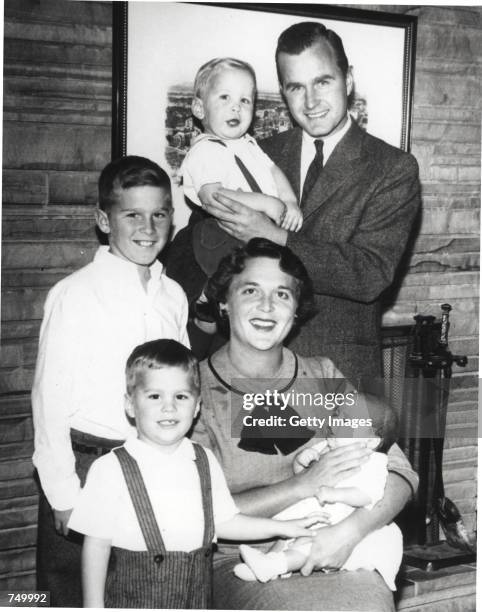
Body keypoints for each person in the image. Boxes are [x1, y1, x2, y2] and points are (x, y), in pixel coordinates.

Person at [191, 238, 418, 611]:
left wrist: (347, 533)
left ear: (295, 310)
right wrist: (303, 485)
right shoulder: (196, 390)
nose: (267, 306)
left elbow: (400, 473)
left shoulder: (320, 375)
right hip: (242, 558)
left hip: (341, 541)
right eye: (250, 290)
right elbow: (201, 510)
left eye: (282, 294)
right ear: (223, 303)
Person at [191, 21, 421, 382]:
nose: (311, 102)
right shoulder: (258, 153)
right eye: (296, 87)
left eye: (323, 82)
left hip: (339, 377)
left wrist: (270, 235)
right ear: (283, 92)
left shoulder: (392, 168)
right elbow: (205, 241)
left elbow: (370, 274)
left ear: (347, 80)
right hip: (250, 376)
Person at [31, 156, 189, 607]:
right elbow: (48, 403)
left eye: (159, 214)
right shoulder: (75, 295)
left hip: (151, 465)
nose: (148, 226)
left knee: (137, 590)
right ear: (104, 220)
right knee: (70, 595)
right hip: (85, 466)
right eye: (132, 214)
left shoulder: (172, 296)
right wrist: (63, 494)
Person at [68, 339, 320, 608]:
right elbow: (96, 546)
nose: (169, 407)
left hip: (196, 599)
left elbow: (224, 522)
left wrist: (285, 527)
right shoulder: (110, 469)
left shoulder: (202, 460)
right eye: (154, 396)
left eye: (181, 396)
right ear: (130, 405)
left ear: (197, 406)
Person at [234, 401, 403, 591]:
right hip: (315, 510)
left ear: (371, 441)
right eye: (337, 415)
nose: (334, 423)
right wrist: (301, 461)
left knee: (307, 546)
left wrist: (336, 494)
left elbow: (368, 496)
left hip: (339, 518)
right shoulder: (329, 445)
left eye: (346, 421)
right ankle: (265, 564)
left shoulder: (374, 462)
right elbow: (304, 476)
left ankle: (275, 566)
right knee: (285, 537)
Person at [181, 57, 302, 280]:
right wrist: (267, 203)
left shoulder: (249, 144)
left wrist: (289, 201)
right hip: (227, 234)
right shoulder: (205, 150)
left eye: (245, 100)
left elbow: (273, 170)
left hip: (261, 233)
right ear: (199, 108)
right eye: (225, 97)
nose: (236, 106)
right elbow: (214, 197)